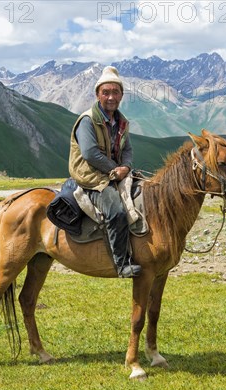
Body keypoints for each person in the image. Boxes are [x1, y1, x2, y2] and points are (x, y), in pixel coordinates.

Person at [68, 66, 141, 278]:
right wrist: (114, 169)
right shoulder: (88, 120)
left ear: (121, 95)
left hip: (115, 172)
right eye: (106, 92)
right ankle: (121, 264)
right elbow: (90, 153)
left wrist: (125, 167)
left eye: (115, 92)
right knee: (116, 210)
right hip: (91, 176)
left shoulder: (121, 121)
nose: (111, 97)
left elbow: (127, 148)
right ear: (97, 94)